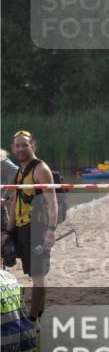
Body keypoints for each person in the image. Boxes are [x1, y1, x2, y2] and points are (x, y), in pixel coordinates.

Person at [1, 131, 59, 320]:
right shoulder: (20, 170)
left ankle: (34, 319)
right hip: (20, 227)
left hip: (37, 228)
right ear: (12, 149)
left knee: (38, 276)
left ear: (33, 145)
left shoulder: (41, 169)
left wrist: (51, 230)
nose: (20, 149)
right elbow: (16, 200)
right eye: (17, 146)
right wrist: (8, 231)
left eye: (24, 145)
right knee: (9, 257)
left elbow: (53, 203)